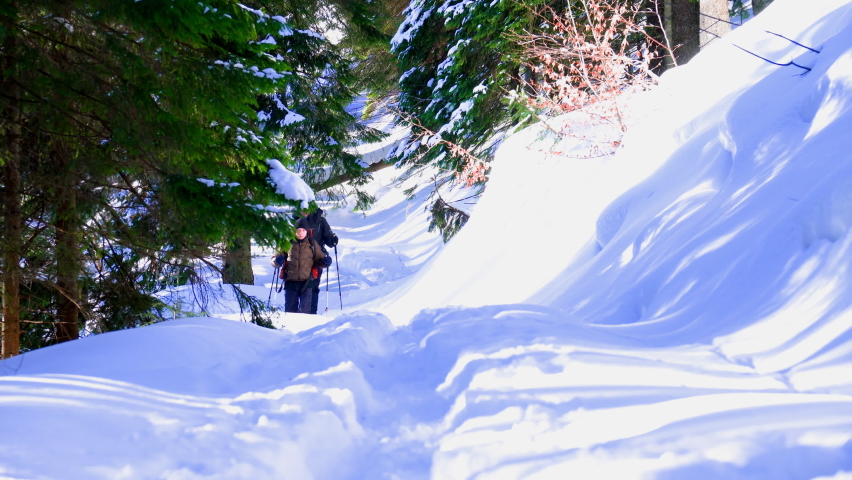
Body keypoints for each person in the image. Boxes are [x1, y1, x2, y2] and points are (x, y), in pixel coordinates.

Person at [294, 207, 338, 314]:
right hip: (297, 258)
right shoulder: (293, 220)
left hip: (317, 259)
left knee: (313, 286)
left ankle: (311, 313)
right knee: (296, 287)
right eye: (302, 208)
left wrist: (332, 240)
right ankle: (294, 313)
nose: (305, 211)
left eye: (307, 208)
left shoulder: (320, 221)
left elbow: (328, 238)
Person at [279, 218, 326, 314]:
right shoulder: (287, 243)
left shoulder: (312, 243)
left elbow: (320, 260)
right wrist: (276, 261)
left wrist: (325, 262)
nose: (301, 233)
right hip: (291, 282)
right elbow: (275, 258)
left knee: (305, 312)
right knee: (290, 311)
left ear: (307, 231)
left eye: (303, 230)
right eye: (298, 230)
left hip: (307, 282)